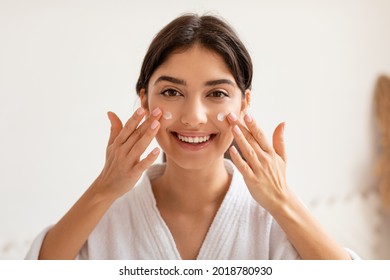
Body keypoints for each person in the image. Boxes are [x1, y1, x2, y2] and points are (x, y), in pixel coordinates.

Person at [26, 13, 359, 260]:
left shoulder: (274, 221)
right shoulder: (106, 218)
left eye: (216, 94)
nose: (194, 117)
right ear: (144, 99)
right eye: (171, 91)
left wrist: (283, 202)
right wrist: (103, 189)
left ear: (244, 103)